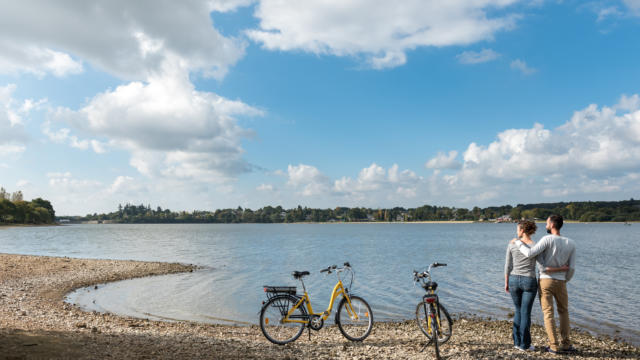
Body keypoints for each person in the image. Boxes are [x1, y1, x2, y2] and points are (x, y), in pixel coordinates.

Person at [512, 214, 576, 354]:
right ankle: (566, 344)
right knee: (564, 312)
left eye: (547, 223)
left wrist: (517, 242)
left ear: (552, 224)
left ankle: (553, 345)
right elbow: (571, 268)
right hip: (561, 282)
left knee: (548, 313)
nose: (546, 225)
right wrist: (565, 279)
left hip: (545, 280)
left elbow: (530, 254)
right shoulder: (571, 243)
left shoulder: (546, 239)